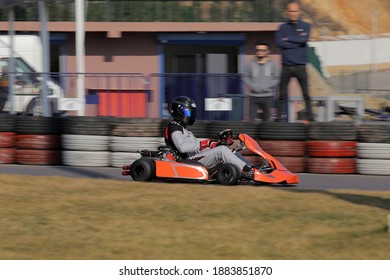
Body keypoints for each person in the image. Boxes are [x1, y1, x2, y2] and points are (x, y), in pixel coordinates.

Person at [164, 96, 254, 178]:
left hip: (196, 158)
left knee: (229, 150)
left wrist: (215, 144)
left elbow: (198, 148)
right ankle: (249, 171)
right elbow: (182, 147)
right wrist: (206, 143)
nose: (190, 116)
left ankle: (253, 168)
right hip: (187, 162)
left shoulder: (185, 130)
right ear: (179, 111)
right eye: (188, 112)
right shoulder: (174, 127)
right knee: (222, 150)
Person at [275, 1, 314, 122]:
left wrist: (288, 40)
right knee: (282, 94)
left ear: (300, 12)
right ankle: (279, 117)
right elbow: (279, 42)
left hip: (300, 65)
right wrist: (296, 43)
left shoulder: (306, 26)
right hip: (286, 66)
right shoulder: (282, 27)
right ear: (287, 12)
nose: (293, 13)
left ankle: (310, 116)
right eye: (291, 11)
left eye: (295, 11)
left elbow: (304, 39)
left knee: (306, 93)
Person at [242, 41, 279, 122]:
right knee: (251, 121)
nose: (260, 52)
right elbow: (244, 76)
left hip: (268, 96)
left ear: (268, 51)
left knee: (267, 121)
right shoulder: (250, 64)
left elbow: (277, 78)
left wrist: (267, 86)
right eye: (258, 50)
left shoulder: (273, 64)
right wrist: (252, 85)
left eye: (263, 50)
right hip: (253, 96)